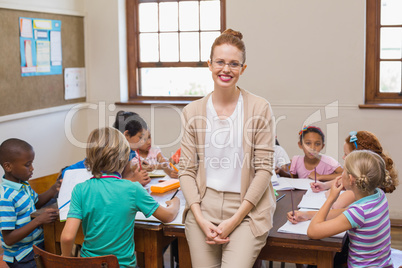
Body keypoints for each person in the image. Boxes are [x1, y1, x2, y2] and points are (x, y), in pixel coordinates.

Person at [179, 29, 276, 267]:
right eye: (220, 62)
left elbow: (264, 170)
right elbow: (186, 171)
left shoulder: (259, 107)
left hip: (247, 210)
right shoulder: (192, 112)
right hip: (203, 206)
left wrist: (234, 219)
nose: (226, 69)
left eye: (234, 64)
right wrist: (200, 218)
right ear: (209, 65)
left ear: (243, 69)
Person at [60, 127, 180, 267]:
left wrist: (65, 258)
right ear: (124, 159)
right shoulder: (133, 189)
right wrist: (175, 202)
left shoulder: (80, 189)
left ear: (90, 158)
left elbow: (68, 236)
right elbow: (168, 216)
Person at [306, 150, 393, 267]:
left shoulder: (358, 212)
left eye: (344, 170)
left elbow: (313, 231)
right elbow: (345, 213)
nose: (341, 174)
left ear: (351, 179)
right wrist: (307, 215)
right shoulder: (379, 195)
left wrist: (331, 198)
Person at [0, 138, 60, 267]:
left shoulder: (23, 185)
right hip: (22, 255)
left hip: (36, 245)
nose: (32, 168)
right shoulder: (6, 198)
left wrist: (53, 189)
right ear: (8, 166)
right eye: (27, 165)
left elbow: (36, 203)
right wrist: (38, 221)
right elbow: (8, 239)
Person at [310, 130, 398, 209]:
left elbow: (337, 205)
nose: (343, 157)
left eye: (346, 154)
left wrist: (330, 193)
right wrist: (324, 185)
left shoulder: (361, 186)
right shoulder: (369, 174)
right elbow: (342, 179)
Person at [61, 110, 150, 186]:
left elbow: (123, 177)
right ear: (126, 135)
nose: (143, 141)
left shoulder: (130, 152)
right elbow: (107, 182)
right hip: (70, 177)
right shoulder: (112, 151)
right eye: (140, 137)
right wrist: (134, 180)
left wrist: (136, 172)